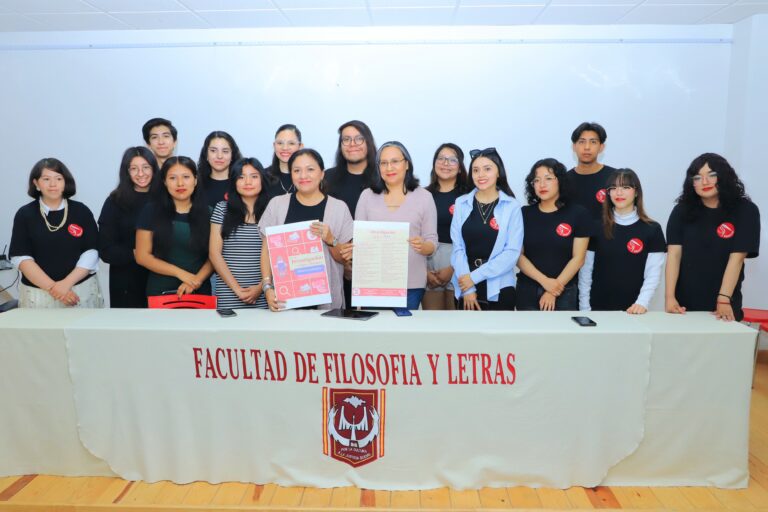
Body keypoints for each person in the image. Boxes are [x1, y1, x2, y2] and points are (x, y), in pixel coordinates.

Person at [665, 153, 760, 322]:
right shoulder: (681, 211)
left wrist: (723, 299)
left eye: (712, 175)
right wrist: (669, 297)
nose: (705, 182)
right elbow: (673, 255)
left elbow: (737, 258)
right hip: (684, 306)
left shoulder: (746, 211)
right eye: (697, 177)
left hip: (724, 303)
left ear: (724, 177)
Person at [260, 149, 353, 311]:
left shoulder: (339, 208)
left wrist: (331, 240)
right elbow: (267, 251)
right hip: (284, 300)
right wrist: (267, 288)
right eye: (297, 170)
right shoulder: (277, 205)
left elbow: (344, 261)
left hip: (326, 302)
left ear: (322, 173)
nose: (303, 176)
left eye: (310, 169)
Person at [10, 158, 103, 308]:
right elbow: (21, 257)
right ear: (36, 184)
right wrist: (54, 288)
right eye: (46, 179)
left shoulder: (81, 211)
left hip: (79, 292)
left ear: (65, 182)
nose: (53, 184)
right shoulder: (25, 214)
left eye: (58, 178)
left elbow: (91, 251)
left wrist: (66, 284)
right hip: (38, 295)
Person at [355, 141, 438, 310]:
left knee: (403, 335)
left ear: (406, 164)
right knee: (375, 334)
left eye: (395, 161)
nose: (389, 168)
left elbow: (432, 242)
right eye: (383, 163)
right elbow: (359, 240)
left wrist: (423, 246)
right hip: (373, 284)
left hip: (411, 285)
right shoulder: (367, 196)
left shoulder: (424, 197)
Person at [578, 168, 666, 314]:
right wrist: (585, 308)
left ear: (636, 192)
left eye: (625, 187)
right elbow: (585, 273)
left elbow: (653, 273)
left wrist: (642, 303)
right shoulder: (595, 227)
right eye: (613, 188)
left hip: (634, 311)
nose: (619, 193)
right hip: (597, 310)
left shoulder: (652, 229)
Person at [450, 148, 523, 311]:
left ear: (499, 172)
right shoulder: (461, 203)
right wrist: (468, 287)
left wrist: (473, 278)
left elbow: (512, 253)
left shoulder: (512, 206)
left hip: (500, 285)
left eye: (487, 169)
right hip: (466, 286)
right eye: (475, 170)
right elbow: (458, 248)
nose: (480, 174)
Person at [517, 158, 591, 311]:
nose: (542, 184)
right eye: (536, 180)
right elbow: (518, 255)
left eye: (548, 178)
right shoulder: (524, 214)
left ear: (560, 181)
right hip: (527, 290)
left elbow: (579, 258)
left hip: (564, 290)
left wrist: (554, 289)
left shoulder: (578, 214)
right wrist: (545, 282)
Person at [135, 156, 213, 298]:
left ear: (195, 180)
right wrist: (182, 274)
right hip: (160, 291)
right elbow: (142, 256)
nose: (180, 183)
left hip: (198, 289)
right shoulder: (151, 211)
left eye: (186, 177)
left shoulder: (209, 213)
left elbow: (214, 256)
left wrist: (195, 280)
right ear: (164, 182)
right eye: (172, 178)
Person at [324, 120, 377, 305]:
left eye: (358, 139)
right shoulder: (327, 178)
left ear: (368, 143)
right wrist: (343, 262)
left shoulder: (382, 178)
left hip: (376, 265)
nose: (352, 144)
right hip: (334, 262)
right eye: (346, 139)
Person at [98, 147, 159, 308]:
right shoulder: (114, 201)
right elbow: (105, 250)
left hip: (162, 279)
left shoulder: (166, 199)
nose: (141, 173)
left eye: (146, 167)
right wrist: (140, 253)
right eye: (134, 168)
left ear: (154, 168)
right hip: (126, 280)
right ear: (126, 172)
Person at [209, 157, 269, 309]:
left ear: (262, 179)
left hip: (265, 294)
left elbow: (279, 257)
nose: (248, 182)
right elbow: (214, 254)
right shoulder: (222, 209)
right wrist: (237, 289)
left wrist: (261, 287)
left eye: (254, 176)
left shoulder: (273, 210)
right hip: (229, 293)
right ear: (234, 182)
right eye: (241, 177)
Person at [423, 143, 469, 310]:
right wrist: (425, 271)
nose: (445, 163)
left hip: (459, 261)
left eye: (452, 160)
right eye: (441, 158)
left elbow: (472, 236)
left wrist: (453, 268)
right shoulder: (423, 195)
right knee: (433, 323)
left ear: (460, 168)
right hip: (428, 261)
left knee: (455, 324)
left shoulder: (468, 197)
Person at [565, 122, 618, 220]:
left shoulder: (615, 177)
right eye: (582, 142)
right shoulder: (564, 180)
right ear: (574, 146)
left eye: (593, 142)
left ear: (601, 147)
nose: (587, 147)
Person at [198, 130, 243, 207]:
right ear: (206, 154)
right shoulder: (195, 183)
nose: (219, 156)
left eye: (225, 151)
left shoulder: (242, 183)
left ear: (232, 155)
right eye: (213, 151)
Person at [264, 124, 304, 197]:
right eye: (280, 143)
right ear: (274, 145)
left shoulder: (307, 177)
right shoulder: (263, 176)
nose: (285, 148)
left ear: (300, 146)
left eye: (291, 143)